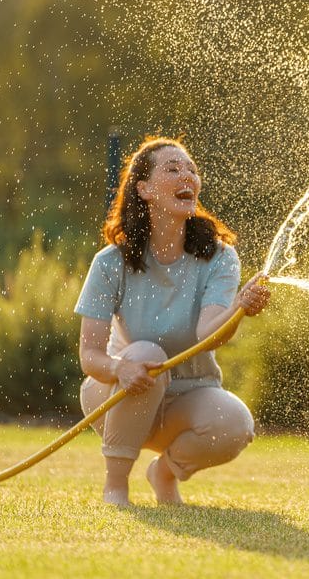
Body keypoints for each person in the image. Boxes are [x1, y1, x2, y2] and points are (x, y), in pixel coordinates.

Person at [76, 136, 270, 507]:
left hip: (188, 396)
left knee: (235, 425)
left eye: (192, 170)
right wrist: (121, 369)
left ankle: (163, 473)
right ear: (144, 190)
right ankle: (115, 486)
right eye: (173, 169)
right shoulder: (109, 262)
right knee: (147, 352)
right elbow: (89, 356)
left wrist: (240, 307)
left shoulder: (219, 257)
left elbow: (207, 334)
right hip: (117, 393)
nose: (187, 177)